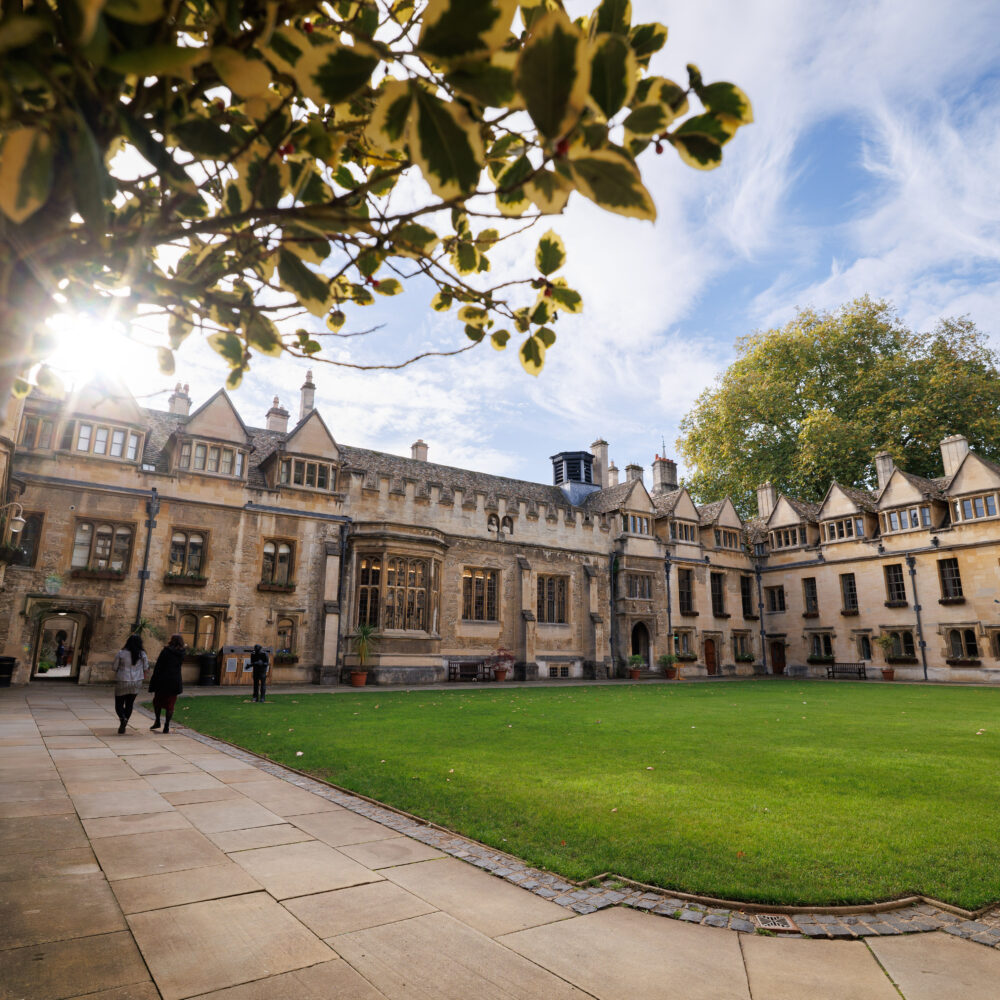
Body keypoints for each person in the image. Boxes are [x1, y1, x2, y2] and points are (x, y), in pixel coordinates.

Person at [148, 634, 185, 733]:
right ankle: (167, 725)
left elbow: (159, 665)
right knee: (170, 705)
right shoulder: (182, 653)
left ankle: (158, 721)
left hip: (162, 680)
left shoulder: (166, 651)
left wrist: (154, 679)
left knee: (157, 702)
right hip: (174, 681)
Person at [112, 634, 148, 734]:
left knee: (119, 703)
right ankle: (125, 720)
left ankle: (123, 718)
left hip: (123, 679)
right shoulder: (142, 654)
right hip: (136, 681)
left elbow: (114, 667)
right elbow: (146, 667)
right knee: (129, 703)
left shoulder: (121, 653)